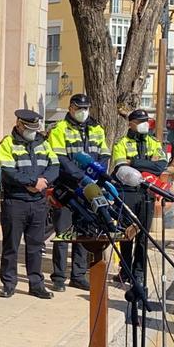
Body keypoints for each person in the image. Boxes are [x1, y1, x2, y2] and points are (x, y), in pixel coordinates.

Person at [47, 93, 109, 292]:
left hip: (89, 187)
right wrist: (80, 176)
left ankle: (78, 275)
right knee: (64, 233)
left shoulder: (97, 128)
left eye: (86, 108)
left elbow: (104, 153)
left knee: (84, 231)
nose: (83, 112)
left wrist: (97, 173)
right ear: (70, 108)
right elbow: (59, 157)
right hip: (67, 186)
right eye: (78, 108)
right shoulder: (59, 129)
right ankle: (58, 276)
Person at [0, 110, 59, 299]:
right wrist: (32, 183)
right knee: (11, 246)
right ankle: (8, 283)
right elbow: (7, 171)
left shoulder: (43, 142)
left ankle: (36, 284)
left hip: (38, 202)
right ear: (19, 124)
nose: (32, 132)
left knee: (36, 246)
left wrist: (43, 181)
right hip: (15, 201)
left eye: (34, 128)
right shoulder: (8, 143)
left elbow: (54, 166)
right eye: (29, 128)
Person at [111, 109, 168, 287]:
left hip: (147, 194)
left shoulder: (153, 142)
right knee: (126, 234)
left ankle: (139, 272)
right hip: (126, 193)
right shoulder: (121, 143)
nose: (145, 124)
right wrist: (145, 164)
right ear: (131, 123)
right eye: (140, 121)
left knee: (143, 237)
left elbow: (161, 166)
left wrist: (134, 162)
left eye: (146, 120)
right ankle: (125, 269)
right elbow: (121, 169)